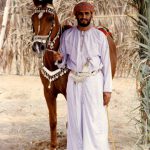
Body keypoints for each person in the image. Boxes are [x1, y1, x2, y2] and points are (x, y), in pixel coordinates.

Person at [55, 2, 112, 150]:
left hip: (94, 82)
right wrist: (59, 59)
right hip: (74, 81)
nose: (84, 16)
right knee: (75, 118)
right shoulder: (67, 35)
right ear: (76, 15)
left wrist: (107, 90)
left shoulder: (99, 36)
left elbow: (106, 64)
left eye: (87, 14)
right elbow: (63, 62)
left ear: (91, 15)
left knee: (94, 118)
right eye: (80, 14)